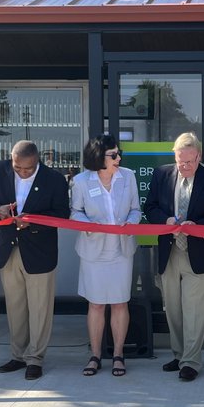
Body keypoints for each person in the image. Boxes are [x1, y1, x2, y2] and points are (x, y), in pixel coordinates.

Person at [0, 140, 70, 381]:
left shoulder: (54, 179)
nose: (22, 172)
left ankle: (35, 358)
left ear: (37, 161)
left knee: (40, 308)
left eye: (27, 169)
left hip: (39, 251)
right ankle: (18, 356)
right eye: (17, 167)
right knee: (15, 306)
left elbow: (62, 213)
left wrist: (33, 221)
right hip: (7, 249)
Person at [144, 133, 204, 382]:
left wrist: (197, 226)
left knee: (194, 311)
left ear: (198, 157)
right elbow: (150, 207)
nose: (184, 167)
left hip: (200, 252)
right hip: (169, 251)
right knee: (173, 308)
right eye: (180, 162)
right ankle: (179, 354)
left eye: (189, 162)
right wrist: (165, 220)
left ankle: (191, 361)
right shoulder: (162, 174)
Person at [71, 133, 142, 377]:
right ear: (98, 157)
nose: (118, 158)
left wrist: (130, 223)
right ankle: (95, 355)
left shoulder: (128, 177)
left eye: (118, 154)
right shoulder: (81, 181)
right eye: (113, 155)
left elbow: (136, 210)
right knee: (96, 303)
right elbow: (75, 212)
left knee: (120, 302)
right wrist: (89, 225)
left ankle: (118, 355)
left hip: (121, 250)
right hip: (93, 251)